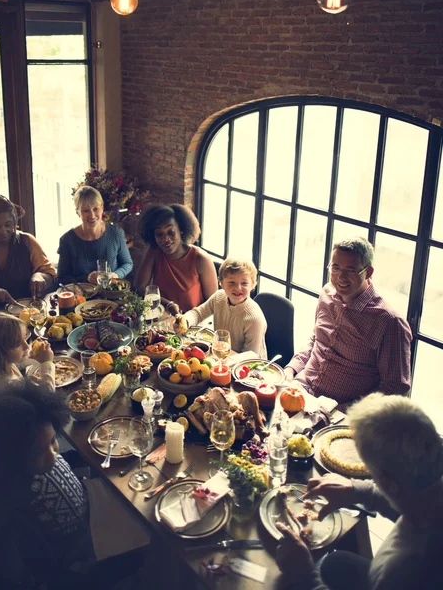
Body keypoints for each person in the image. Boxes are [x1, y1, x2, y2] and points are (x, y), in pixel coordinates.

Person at [0, 381, 147, 585]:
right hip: (88, 544)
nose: (53, 454)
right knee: (150, 525)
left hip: (91, 503)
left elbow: (61, 461)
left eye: (53, 441)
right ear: (12, 457)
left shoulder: (41, 447)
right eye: (40, 452)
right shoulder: (9, 491)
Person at [275, 392, 443, 590]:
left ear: (388, 483)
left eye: (370, 471)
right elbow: (412, 502)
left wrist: (306, 576)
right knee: (335, 563)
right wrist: (357, 490)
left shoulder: (402, 571)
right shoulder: (429, 483)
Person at [284, 237, 412, 406]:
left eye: (351, 271)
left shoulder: (389, 322)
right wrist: (290, 369)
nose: (340, 278)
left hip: (341, 410)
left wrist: (351, 412)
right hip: (300, 388)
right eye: (335, 268)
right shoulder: (327, 294)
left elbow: (394, 387)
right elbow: (316, 339)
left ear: (369, 272)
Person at [134, 203, 218, 315]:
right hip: (161, 319)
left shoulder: (201, 259)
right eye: (159, 234)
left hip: (193, 325)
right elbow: (139, 288)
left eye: (171, 232)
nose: (165, 239)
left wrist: (188, 319)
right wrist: (168, 304)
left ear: (181, 229)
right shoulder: (154, 251)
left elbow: (214, 305)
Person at [175, 258, 267, 357]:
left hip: (249, 366)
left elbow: (249, 356)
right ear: (221, 283)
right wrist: (185, 320)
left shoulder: (254, 318)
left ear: (253, 285)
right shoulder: (219, 297)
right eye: (231, 283)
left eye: (244, 283)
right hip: (221, 354)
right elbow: (199, 313)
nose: (237, 288)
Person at [0, 312, 54, 407]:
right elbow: (47, 396)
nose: (26, 346)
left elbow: (19, 363)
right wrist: (46, 363)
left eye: (25, 338)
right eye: (17, 344)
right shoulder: (7, 384)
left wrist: (38, 357)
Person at [57, 186, 133, 285]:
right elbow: (62, 278)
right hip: (81, 297)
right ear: (78, 213)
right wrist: (86, 278)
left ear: (102, 208)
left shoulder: (116, 233)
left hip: (112, 294)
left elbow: (127, 264)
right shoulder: (67, 240)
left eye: (95, 209)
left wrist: (115, 275)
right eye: (85, 210)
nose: (92, 215)